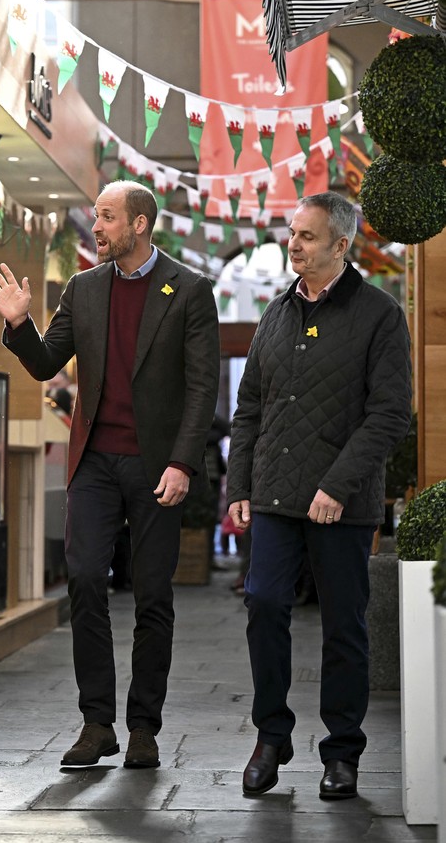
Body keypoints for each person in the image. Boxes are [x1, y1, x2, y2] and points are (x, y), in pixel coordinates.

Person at [0, 180, 220, 769]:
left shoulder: (190, 291)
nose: (98, 227)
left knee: (152, 596)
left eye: (107, 217)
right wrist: (18, 325)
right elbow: (43, 364)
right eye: (97, 215)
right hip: (94, 462)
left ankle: (144, 727)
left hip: (157, 465)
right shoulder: (84, 289)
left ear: (140, 225)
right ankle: (97, 723)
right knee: (86, 581)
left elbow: (201, 387)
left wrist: (184, 461)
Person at [226, 192, 412, 801]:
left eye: (306, 236)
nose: (293, 244)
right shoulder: (275, 314)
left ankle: (342, 751)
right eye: (292, 234)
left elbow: (389, 415)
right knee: (264, 604)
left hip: (343, 503)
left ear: (340, 244)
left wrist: (338, 484)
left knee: (344, 627)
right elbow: (250, 406)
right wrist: (239, 486)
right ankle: (271, 736)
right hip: (276, 498)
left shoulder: (380, 314)